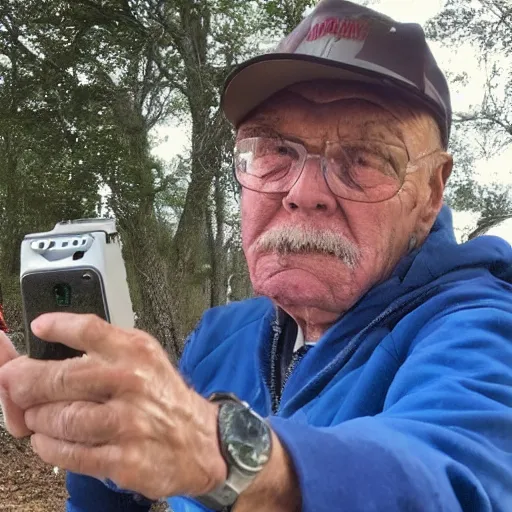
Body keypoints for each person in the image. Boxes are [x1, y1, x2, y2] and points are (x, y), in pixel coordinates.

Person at [1, 0, 512, 510]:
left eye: (364, 157)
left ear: (430, 192)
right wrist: (94, 435)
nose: (304, 191)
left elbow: (452, 479)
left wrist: (225, 452)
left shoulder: (480, 330)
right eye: (274, 151)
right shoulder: (221, 335)